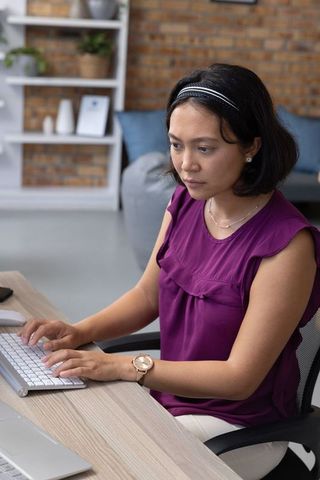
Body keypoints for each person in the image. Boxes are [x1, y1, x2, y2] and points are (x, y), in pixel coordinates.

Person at [20, 63, 320, 479]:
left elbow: (240, 378)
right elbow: (148, 295)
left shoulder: (287, 245)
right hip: (170, 400)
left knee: (97, 464)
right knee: (63, 430)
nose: (186, 164)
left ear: (252, 146)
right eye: (176, 145)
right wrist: (79, 330)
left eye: (205, 148)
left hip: (240, 426)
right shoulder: (185, 203)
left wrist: (126, 367)